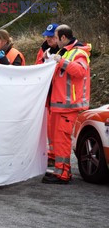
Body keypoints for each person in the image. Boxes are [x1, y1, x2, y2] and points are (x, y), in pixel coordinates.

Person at [42, 25, 91, 185]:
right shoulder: (64, 52)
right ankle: (58, 171)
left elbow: (80, 72)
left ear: (63, 38)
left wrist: (60, 61)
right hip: (59, 104)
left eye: (56, 37)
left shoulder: (79, 52)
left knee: (62, 140)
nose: (54, 40)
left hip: (69, 105)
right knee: (57, 140)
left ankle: (63, 174)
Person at [35, 23, 60, 167]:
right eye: (47, 36)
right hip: (46, 92)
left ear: (59, 37)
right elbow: (38, 67)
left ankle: (55, 155)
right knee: (47, 126)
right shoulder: (44, 49)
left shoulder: (65, 51)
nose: (48, 39)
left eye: (51, 37)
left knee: (56, 127)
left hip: (58, 93)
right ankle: (49, 155)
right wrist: (44, 59)